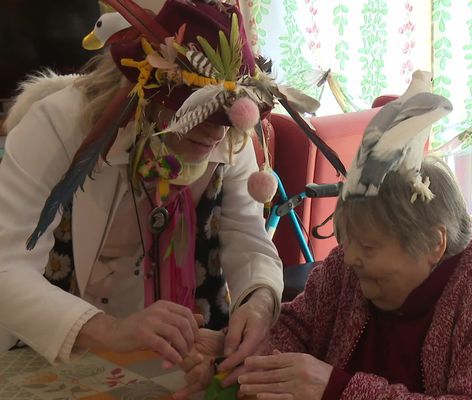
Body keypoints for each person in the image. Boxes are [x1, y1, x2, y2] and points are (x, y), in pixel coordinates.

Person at [0, 0, 314, 372]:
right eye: (199, 111)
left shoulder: (228, 134)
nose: (215, 134)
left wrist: (259, 301)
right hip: (55, 341)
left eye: (225, 119)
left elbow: (246, 237)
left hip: (168, 356)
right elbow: (7, 267)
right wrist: (108, 330)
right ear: (147, 93)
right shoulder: (58, 125)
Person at [179, 91, 472, 399]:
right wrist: (242, 354)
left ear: (434, 243)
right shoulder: (346, 267)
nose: (352, 259)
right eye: (348, 241)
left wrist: (337, 388)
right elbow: (296, 327)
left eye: (370, 247)